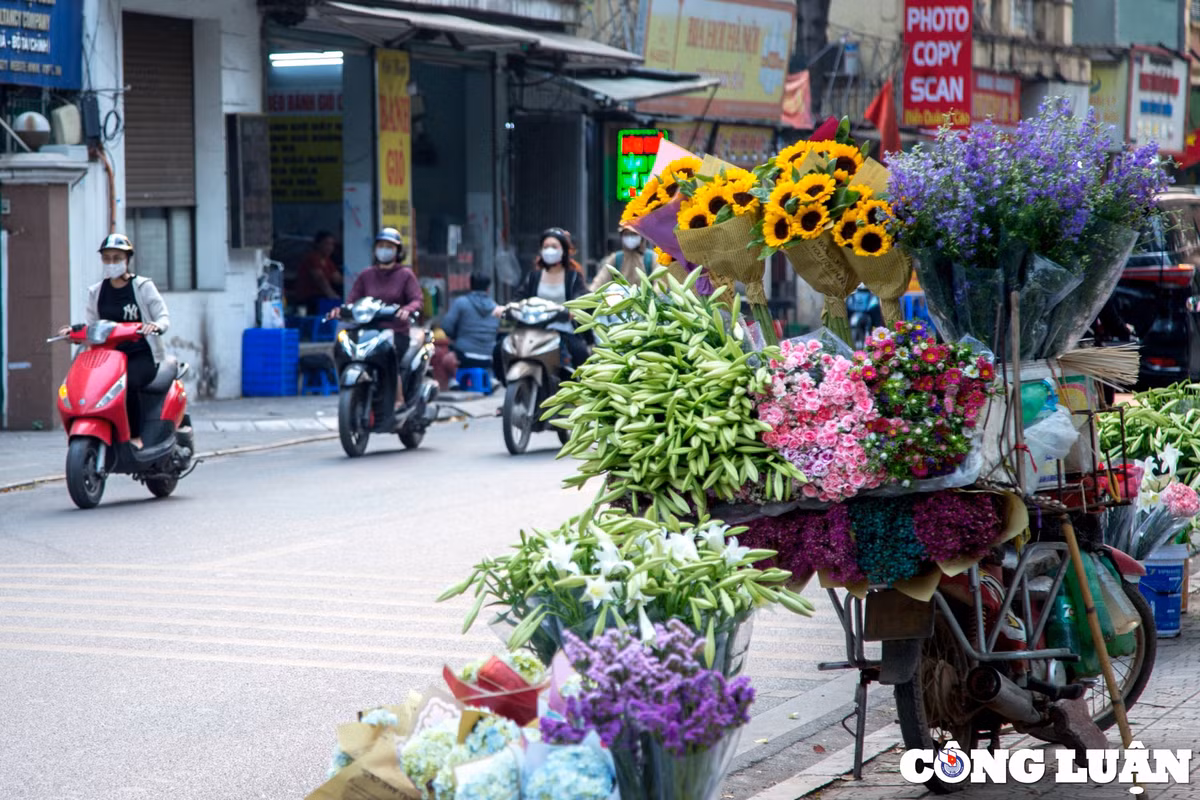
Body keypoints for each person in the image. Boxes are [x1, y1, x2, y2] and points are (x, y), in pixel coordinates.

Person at [61, 233, 170, 450]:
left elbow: (163, 316)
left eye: (117, 258)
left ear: (127, 259)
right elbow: (91, 325)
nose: (111, 263)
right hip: (106, 358)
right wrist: (72, 333)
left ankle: (136, 436)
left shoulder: (142, 287)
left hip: (140, 355)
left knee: (127, 385)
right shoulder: (96, 292)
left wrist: (156, 326)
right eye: (107, 258)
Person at [327, 228, 423, 410]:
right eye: (381, 246)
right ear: (375, 250)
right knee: (343, 338)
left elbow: (417, 300)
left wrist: (407, 310)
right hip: (367, 330)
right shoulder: (366, 275)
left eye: (389, 247)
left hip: (395, 331)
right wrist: (341, 311)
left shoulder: (405, 275)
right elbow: (352, 301)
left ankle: (399, 399)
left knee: (390, 352)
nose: (384, 250)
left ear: (398, 251)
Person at [496, 227, 590, 370]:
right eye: (546, 247)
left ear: (563, 250)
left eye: (554, 246)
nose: (549, 250)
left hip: (562, 329)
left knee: (580, 353)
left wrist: (575, 311)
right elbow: (519, 298)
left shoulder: (573, 277)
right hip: (532, 328)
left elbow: (581, 296)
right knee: (499, 348)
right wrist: (505, 308)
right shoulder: (534, 276)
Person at [442, 273, 500, 373]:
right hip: (489, 357)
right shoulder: (496, 307)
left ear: (470, 286)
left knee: (443, 356)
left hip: (464, 355)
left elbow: (446, 326)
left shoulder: (461, 302)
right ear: (488, 289)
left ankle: (453, 382)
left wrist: (456, 336)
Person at [590, 226, 655, 291]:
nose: (630, 238)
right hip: (620, 298)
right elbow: (600, 280)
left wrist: (655, 296)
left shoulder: (651, 257)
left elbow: (659, 282)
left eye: (634, 234)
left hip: (645, 299)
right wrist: (589, 294)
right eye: (627, 234)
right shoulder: (616, 258)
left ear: (642, 237)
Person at [294, 230, 343, 314]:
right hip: (308, 299)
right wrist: (332, 296)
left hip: (321, 299)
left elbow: (337, 278)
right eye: (327, 244)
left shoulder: (328, 261)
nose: (330, 247)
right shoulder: (312, 259)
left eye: (332, 244)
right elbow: (320, 280)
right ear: (318, 244)